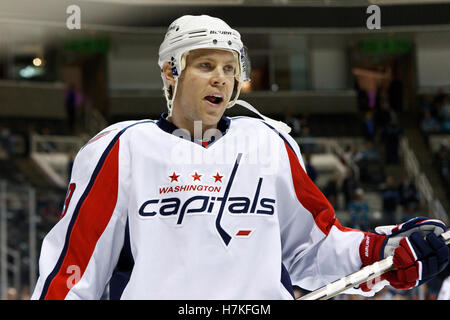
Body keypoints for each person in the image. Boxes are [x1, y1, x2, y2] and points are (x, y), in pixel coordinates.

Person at [31, 15, 449, 300]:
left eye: (230, 68)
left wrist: (384, 251)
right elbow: (75, 270)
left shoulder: (269, 144)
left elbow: (313, 249)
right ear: (170, 72)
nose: (221, 78)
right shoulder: (122, 148)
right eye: (206, 65)